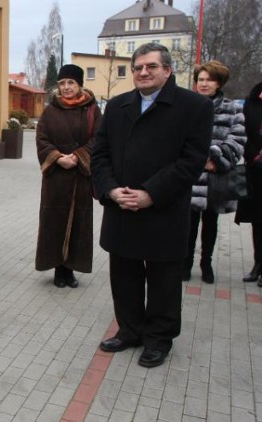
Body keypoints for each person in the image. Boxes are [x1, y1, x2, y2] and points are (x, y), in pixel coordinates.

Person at [91, 43, 213, 368]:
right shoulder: (117, 106)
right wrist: (111, 190)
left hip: (164, 211)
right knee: (125, 276)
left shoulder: (194, 107)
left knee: (163, 281)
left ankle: (158, 339)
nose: (143, 72)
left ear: (167, 70)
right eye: (138, 67)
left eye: (151, 67)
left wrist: (150, 193)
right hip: (121, 209)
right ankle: (130, 330)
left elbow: (192, 161)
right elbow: (99, 154)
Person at [35, 64, 101, 288]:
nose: (66, 87)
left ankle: (70, 270)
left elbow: (99, 138)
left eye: (70, 82)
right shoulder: (50, 110)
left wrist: (79, 156)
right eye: (62, 83)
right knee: (54, 224)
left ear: (79, 84)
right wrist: (56, 157)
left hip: (80, 177)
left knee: (78, 226)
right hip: (55, 179)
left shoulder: (92, 109)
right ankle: (57, 270)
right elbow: (41, 139)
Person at [185, 61, 246, 283]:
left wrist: (216, 158)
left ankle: (206, 263)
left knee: (210, 224)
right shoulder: (187, 106)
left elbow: (238, 138)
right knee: (188, 224)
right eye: (200, 79)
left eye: (208, 80)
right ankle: (186, 263)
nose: (203, 84)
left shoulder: (233, 108)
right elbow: (176, 138)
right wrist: (197, 160)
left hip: (215, 177)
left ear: (218, 82)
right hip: (190, 176)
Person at [235, 81, 262, 284]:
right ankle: (258, 264)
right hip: (256, 169)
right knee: (258, 220)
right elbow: (243, 133)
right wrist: (253, 155)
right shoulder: (253, 100)